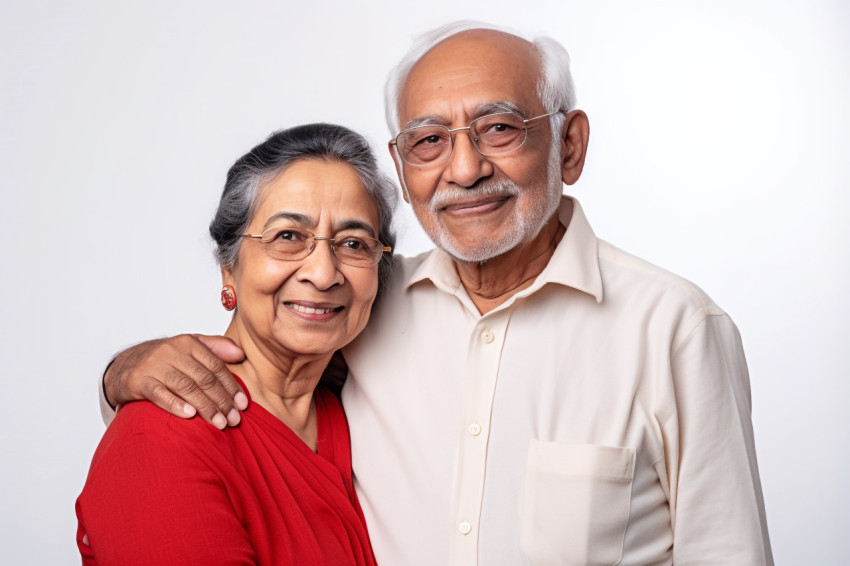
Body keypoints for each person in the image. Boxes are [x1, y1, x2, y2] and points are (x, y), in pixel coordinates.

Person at [100, 22, 774, 566]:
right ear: (402, 165)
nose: (464, 168)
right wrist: (125, 372)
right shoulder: (367, 305)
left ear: (569, 145)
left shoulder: (675, 327)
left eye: (500, 128)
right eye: (429, 141)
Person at [78, 123, 398, 565]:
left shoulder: (359, 411)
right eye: (288, 236)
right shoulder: (160, 438)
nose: (323, 274)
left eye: (353, 243)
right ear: (229, 267)